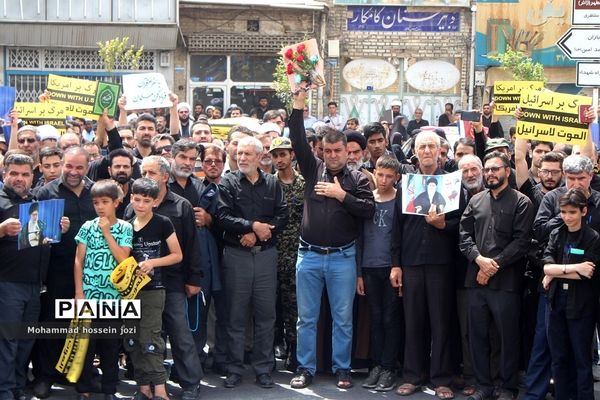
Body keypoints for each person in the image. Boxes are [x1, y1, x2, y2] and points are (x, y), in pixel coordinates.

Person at [288, 88, 375, 390]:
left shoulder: (358, 178)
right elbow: (297, 139)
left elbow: (368, 210)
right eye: (328, 151)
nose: (333, 155)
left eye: (338, 150)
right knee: (306, 318)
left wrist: (341, 195)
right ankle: (305, 368)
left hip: (343, 258)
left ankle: (342, 368)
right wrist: (298, 103)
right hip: (309, 255)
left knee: (342, 318)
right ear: (322, 151)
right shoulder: (313, 169)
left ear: (347, 151)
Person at [124, 156, 204, 400]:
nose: (146, 177)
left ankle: (190, 383)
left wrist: (194, 279)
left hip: (172, 281)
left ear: (165, 177)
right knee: (145, 337)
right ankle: (148, 386)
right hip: (140, 286)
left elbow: (192, 245)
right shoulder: (132, 208)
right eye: (143, 173)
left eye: (151, 173)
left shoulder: (181, 206)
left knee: (180, 333)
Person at [390, 131, 463, 399]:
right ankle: (413, 375)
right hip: (411, 263)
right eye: (422, 147)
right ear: (415, 152)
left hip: (441, 264)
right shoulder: (406, 186)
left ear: (440, 151)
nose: (427, 151)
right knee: (413, 321)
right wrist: (396, 265)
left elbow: (463, 226)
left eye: (432, 146)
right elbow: (396, 229)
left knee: (441, 322)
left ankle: (441, 378)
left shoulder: (453, 184)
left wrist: (443, 225)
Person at [459, 151, 534, 400]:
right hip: (476, 281)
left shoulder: (522, 202)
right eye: (487, 169)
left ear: (507, 171)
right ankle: (484, 386)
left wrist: (493, 266)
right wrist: (479, 260)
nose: (490, 173)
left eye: (495, 169)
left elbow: (522, 242)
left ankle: (507, 387)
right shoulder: (476, 200)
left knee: (507, 337)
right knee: (477, 336)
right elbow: (464, 236)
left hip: (506, 282)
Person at [216, 136, 288, 388]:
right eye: (240, 154)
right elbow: (222, 216)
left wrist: (259, 232)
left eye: (248, 154)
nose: (242, 158)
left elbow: (283, 215)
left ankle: (263, 369)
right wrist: (251, 226)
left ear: (259, 157)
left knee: (266, 316)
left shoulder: (272, 183)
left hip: (266, 255)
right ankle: (234, 368)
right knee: (235, 315)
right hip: (237, 256)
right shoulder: (228, 182)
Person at [0, 154, 67, 400]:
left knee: (25, 339)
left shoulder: (38, 203)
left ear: (32, 176)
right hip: (7, 283)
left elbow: (43, 239)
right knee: (7, 340)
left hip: (35, 285)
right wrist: (1, 229)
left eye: (25, 174)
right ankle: (4, 390)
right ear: (4, 173)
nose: (19, 178)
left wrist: (59, 229)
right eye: (14, 173)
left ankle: (17, 386)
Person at [31, 147, 96, 399]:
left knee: (85, 326)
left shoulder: (97, 192)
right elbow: (33, 234)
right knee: (52, 324)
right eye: (69, 166)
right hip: (57, 271)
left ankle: (82, 377)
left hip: (92, 272)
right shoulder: (46, 193)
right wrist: (54, 230)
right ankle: (45, 376)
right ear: (62, 164)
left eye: (79, 167)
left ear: (87, 167)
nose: (73, 172)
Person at [124, 178, 183, 400]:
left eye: (146, 201)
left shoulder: (163, 223)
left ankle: (160, 389)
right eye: (137, 199)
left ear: (155, 202)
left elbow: (177, 255)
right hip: (129, 291)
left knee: (150, 339)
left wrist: (152, 263)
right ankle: (143, 388)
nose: (141, 205)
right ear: (131, 198)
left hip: (154, 289)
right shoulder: (126, 225)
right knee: (133, 340)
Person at [73, 180, 133, 400]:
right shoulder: (87, 227)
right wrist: (79, 292)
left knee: (110, 346)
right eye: (96, 202)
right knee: (85, 346)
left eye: (105, 202)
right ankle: (84, 389)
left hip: (113, 298)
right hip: (88, 296)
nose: (100, 206)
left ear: (116, 203)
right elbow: (78, 261)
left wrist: (107, 233)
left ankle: (109, 389)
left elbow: (123, 259)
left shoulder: (125, 228)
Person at [541, 188, 599, 400]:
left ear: (583, 211)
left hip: (581, 304)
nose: (567, 217)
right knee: (558, 358)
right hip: (556, 302)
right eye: (563, 212)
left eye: (572, 212)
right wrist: (572, 268)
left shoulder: (592, 237)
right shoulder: (556, 234)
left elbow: (588, 273)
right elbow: (546, 267)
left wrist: (555, 273)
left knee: (581, 359)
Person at [357, 155, 402, 392]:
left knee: (390, 318)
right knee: (374, 318)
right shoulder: (367, 200)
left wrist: (398, 265)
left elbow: (402, 238)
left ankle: (389, 367)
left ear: (396, 177)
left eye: (388, 176)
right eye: (380, 174)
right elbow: (359, 238)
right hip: (369, 266)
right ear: (374, 173)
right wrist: (358, 273)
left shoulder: (400, 200)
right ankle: (375, 365)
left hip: (391, 268)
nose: (383, 180)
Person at [270, 137, 305, 372]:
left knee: (294, 304)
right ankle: (274, 345)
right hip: (273, 251)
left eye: (283, 154)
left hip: (297, 252)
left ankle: (294, 348)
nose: (279, 159)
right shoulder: (269, 184)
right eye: (275, 155)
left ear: (291, 155)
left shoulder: (304, 183)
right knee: (272, 304)